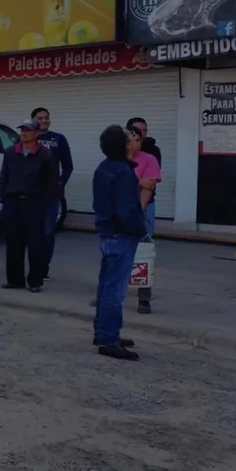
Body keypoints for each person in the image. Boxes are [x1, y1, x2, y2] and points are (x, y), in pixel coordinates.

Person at [92, 125, 147, 361]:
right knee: (115, 291)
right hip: (121, 235)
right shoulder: (122, 172)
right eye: (128, 139)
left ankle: (103, 332)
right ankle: (109, 339)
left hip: (108, 233)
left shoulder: (103, 168)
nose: (131, 142)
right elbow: (126, 210)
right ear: (122, 145)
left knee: (106, 286)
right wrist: (140, 230)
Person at [0, 120, 61, 292]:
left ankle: (35, 281)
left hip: (34, 203)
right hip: (13, 202)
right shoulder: (11, 152)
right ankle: (14, 279)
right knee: (13, 242)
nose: (24, 133)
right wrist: (4, 198)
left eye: (28, 130)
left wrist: (44, 202)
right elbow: (4, 177)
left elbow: (52, 181)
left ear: (36, 133)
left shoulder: (45, 154)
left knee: (35, 243)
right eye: (22, 130)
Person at [32, 107, 73, 274]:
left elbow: (68, 166)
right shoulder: (28, 138)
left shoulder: (59, 139)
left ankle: (44, 267)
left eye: (46, 117)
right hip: (31, 194)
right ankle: (33, 267)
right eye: (40, 118)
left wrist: (61, 182)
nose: (44, 121)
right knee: (32, 232)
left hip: (51, 194)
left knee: (48, 232)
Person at [127, 124, 160, 315]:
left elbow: (149, 186)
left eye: (138, 140)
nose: (134, 143)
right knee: (113, 254)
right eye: (131, 139)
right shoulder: (116, 160)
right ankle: (106, 293)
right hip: (118, 213)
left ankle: (144, 299)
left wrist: (137, 212)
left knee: (143, 254)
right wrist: (138, 181)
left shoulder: (149, 159)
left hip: (141, 210)